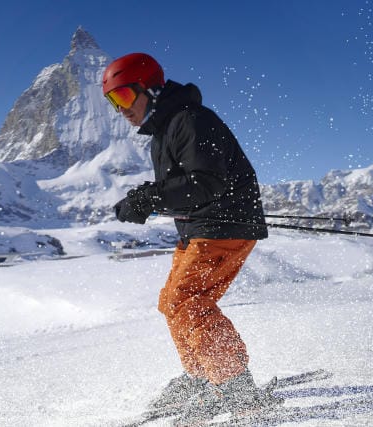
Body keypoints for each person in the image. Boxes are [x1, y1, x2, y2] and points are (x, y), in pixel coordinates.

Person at [102, 52, 275, 424]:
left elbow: (207, 182)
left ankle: (236, 387)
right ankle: (202, 378)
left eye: (125, 98)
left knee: (188, 301)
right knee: (172, 301)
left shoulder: (191, 121)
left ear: (150, 89)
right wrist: (146, 200)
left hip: (224, 226)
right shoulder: (163, 133)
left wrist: (149, 197)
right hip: (200, 229)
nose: (121, 110)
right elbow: (183, 188)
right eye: (113, 102)